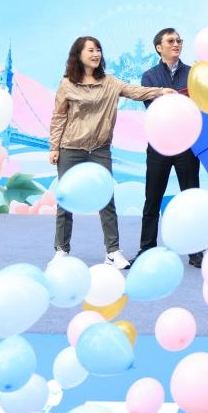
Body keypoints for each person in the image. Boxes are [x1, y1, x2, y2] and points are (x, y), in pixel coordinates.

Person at [49, 36, 174, 269]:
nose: (96, 54)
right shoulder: (67, 84)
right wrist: (54, 147)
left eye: (98, 50)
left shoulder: (110, 83)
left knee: (107, 200)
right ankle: (61, 250)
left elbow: (135, 91)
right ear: (78, 55)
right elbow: (59, 117)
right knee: (65, 200)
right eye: (90, 50)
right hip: (71, 148)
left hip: (99, 150)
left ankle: (113, 252)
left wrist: (160, 92)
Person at [135, 28, 205, 268]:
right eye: (171, 41)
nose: (176, 44)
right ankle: (146, 248)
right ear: (159, 47)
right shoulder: (149, 77)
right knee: (152, 199)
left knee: (191, 199)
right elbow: (154, 108)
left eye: (179, 41)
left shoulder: (193, 74)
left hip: (187, 145)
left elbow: (199, 106)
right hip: (159, 145)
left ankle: (195, 251)